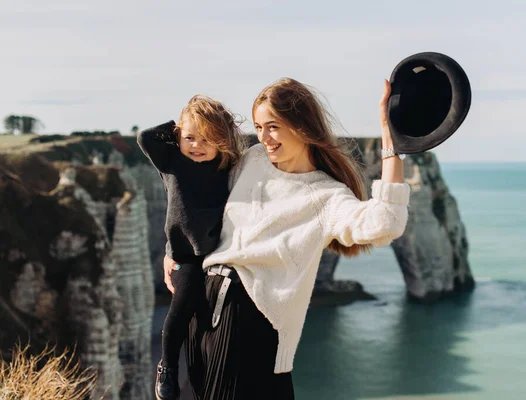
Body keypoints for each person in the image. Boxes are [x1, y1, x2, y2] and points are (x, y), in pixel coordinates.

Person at [164, 78, 410, 400]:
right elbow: (199, 205)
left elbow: (386, 223)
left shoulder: (326, 195)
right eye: (258, 126)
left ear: (301, 126)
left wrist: (392, 143)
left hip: (251, 316)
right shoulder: (252, 160)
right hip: (203, 304)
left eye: (273, 126)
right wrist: (174, 250)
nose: (264, 137)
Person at [137, 95, 244, 400]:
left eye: (207, 138)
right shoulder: (171, 162)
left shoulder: (227, 167)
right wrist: (181, 123)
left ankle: (208, 374)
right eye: (190, 137)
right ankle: (168, 367)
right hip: (184, 256)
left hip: (219, 254)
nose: (197, 144)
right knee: (181, 307)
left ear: (221, 140)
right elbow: (145, 138)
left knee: (208, 319)